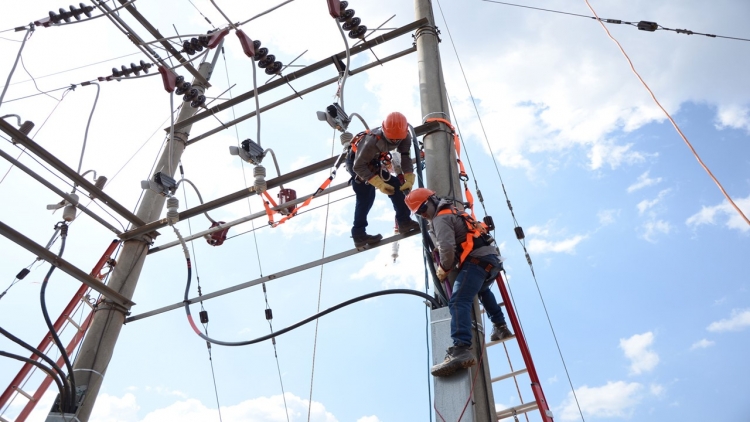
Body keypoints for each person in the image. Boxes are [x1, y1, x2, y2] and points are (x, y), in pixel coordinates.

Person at [405, 188, 513, 377]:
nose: (424, 215)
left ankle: (461, 348)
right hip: (490, 260)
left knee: (458, 301)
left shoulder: (441, 219)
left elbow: (447, 248)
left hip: (477, 261)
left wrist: (444, 269)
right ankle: (500, 326)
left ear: (432, 201)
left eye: (423, 209)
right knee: (481, 290)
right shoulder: (454, 210)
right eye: (420, 213)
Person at [345, 112, 420, 249]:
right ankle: (359, 234)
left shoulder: (404, 136)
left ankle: (404, 222)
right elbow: (358, 166)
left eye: (398, 139)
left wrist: (409, 175)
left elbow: (405, 156)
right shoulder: (371, 142)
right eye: (392, 139)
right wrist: (378, 183)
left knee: (397, 186)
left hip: (374, 161)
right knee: (365, 195)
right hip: (358, 162)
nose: (395, 142)